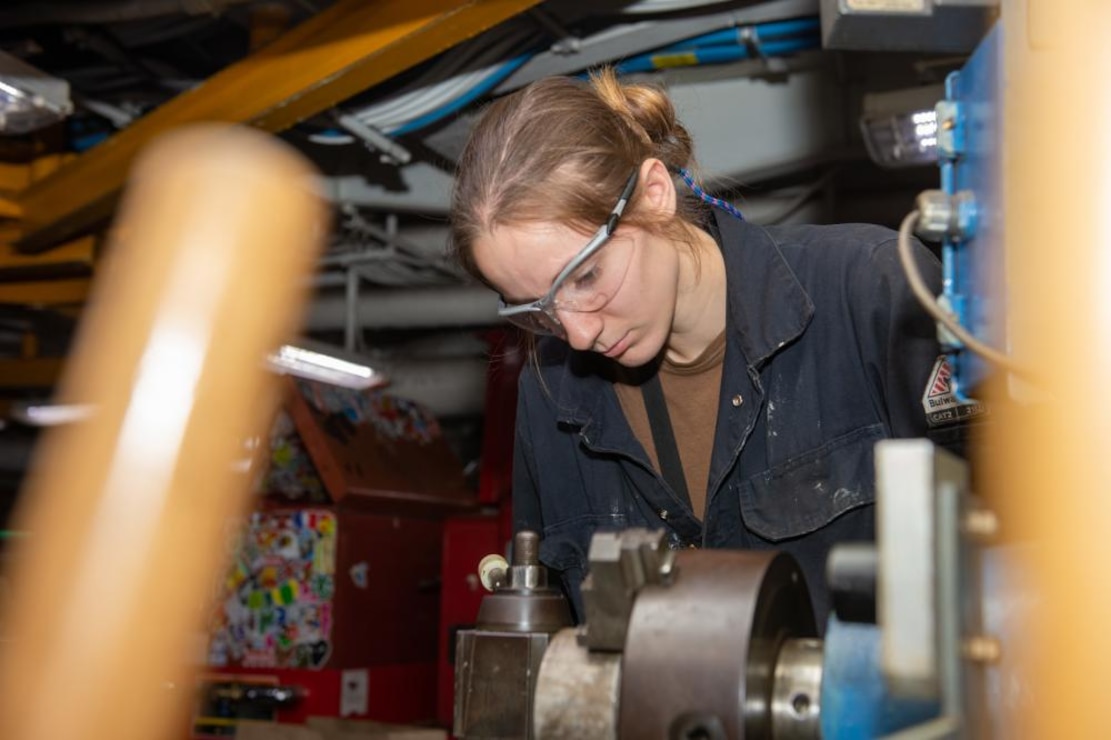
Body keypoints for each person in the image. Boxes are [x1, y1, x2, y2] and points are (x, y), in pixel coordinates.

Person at [449, 68, 962, 627]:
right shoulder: (552, 389)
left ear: (654, 194)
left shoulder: (869, 292)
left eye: (587, 277)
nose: (576, 334)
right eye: (537, 308)